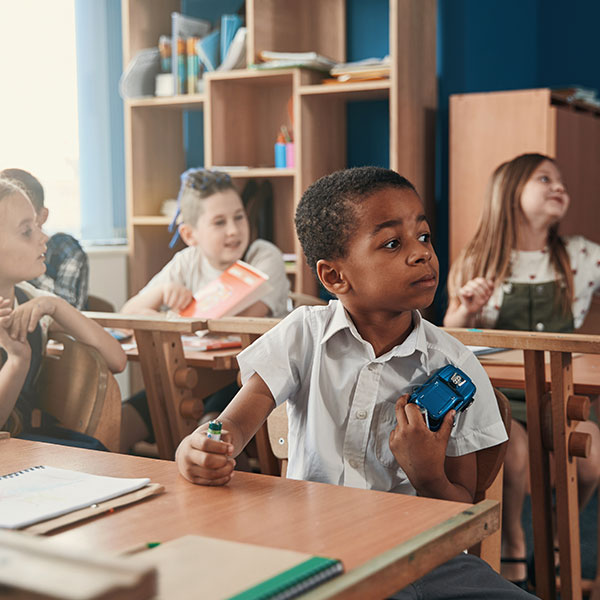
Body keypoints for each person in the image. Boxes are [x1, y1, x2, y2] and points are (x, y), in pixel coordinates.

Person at [176, 166, 533, 599]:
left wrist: (427, 474)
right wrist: (199, 447)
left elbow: (459, 515)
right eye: (392, 243)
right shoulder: (303, 334)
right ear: (334, 277)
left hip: (420, 556)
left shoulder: (455, 363)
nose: (422, 253)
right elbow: (231, 427)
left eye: (424, 237)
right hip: (312, 550)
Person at [444, 153, 600, 587]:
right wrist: (463, 310)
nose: (559, 187)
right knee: (511, 461)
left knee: (591, 462)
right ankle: (513, 538)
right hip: (498, 397)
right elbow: (449, 337)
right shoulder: (479, 260)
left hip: (558, 392)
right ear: (509, 193)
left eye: (561, 180)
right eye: (544, 178)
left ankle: (556, 525)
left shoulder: (580, 256)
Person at [120, 168, 290, 452]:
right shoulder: (186, 262)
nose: (234, 230)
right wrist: (162, 294)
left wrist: (170, 319)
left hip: (246, 383)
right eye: (219, 222)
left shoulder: (262, 255)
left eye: (238, 217)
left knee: (212, 430)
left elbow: (240, 319)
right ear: (189, 234)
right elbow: (126, 318)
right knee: (121, 421)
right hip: (188, 378)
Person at [0, 177, 126, 448]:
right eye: (26, 231)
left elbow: (116, 360)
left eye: (37, 225)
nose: (43, 237)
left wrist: (54, 305)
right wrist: (17, 361)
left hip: (23, 444)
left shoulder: (31, 300)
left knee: (95, 454)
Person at [0, 168, 90, 310]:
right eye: (26, 231)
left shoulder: (65, 249)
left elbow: (68, 308)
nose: (43, 238)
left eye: (33, 224)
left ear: (43, 216)